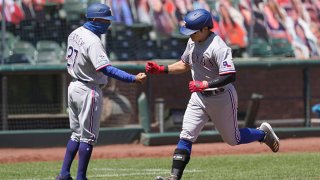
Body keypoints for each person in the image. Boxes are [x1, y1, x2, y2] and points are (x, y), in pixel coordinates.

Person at [145, 9, 280, 180]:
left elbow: (230, 75)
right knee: (186, 135)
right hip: (199, 97)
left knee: (233, 139)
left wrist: (204, 84)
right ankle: (174, 177)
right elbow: (185, 64)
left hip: (221, 97)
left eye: (193, 32)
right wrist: (162, 69)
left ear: (204, 29)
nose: (190, 35)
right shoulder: (193, 41)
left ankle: (262, 134)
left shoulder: (219, 47)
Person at [56, 3, 147, 180]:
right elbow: (107, 69)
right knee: (88, 137)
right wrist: (133, 78)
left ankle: (64, 174)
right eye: (106, 20)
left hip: (74, 86)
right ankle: (80, 177)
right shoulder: (93, 41)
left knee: (76, 134)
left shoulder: (75, 33)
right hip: (88, 89)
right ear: (96, 19)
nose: (108, 23)